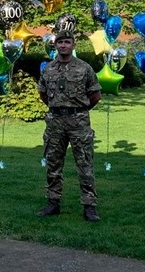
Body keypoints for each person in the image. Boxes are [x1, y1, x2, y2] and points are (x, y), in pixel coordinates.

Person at [36, 29, 102, 222]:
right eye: (60, 42)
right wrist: (58, 108)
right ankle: (53, 202)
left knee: (85, 164)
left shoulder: (84, 68)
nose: (63, 45)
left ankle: (89, 206)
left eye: (67, 42)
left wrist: (79, 110)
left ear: (73, 45)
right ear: (55, 45)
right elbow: (43, 94)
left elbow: (95, 95)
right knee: (53, 163)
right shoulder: (48, 69)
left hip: (78, 122)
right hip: (55, 122)